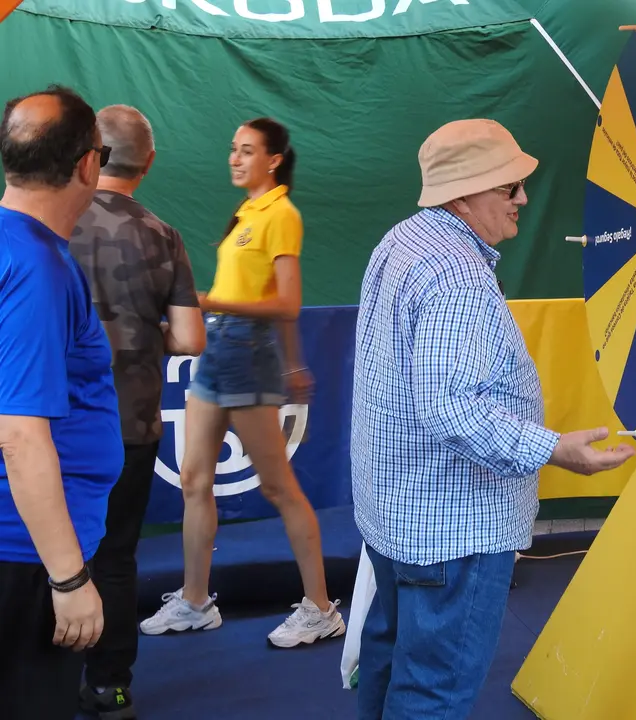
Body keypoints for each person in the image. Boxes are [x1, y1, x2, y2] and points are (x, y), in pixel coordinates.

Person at [351, 118, 636, 720]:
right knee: (433, 691)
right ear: (464, 192)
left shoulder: (402, 241)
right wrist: (556, 450)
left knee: (392, 662)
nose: (523, 200)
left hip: (397, 517)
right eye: (510, 188)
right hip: (451, 530)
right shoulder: (456, 275)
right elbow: (454, 409)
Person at [139, 116, 345, 648]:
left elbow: (287, 303)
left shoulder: (282, 214)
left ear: (273, 159)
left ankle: (321, 608)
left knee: (279, 485)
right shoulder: (246, 212)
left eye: (247, 150)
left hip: (246, 353)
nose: (235, 158)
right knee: (194, 480)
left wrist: (211, 302)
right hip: (219, 349)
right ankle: (194, 601)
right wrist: (292, 361)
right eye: (232, 149)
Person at [69, 104, 206, 719]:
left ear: (87, 152)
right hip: (130, 424)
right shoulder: (161, 234)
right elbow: (190, 339)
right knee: (117, 557)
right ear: (149, 162)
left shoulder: (47, 222)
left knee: (31, 553)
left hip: (48, 422)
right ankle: (109, 687)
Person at [0, 86, 124, 720]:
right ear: (87, 164)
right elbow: (20, 436)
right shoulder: (36, 266)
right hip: (26, 556)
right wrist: (69, 580)